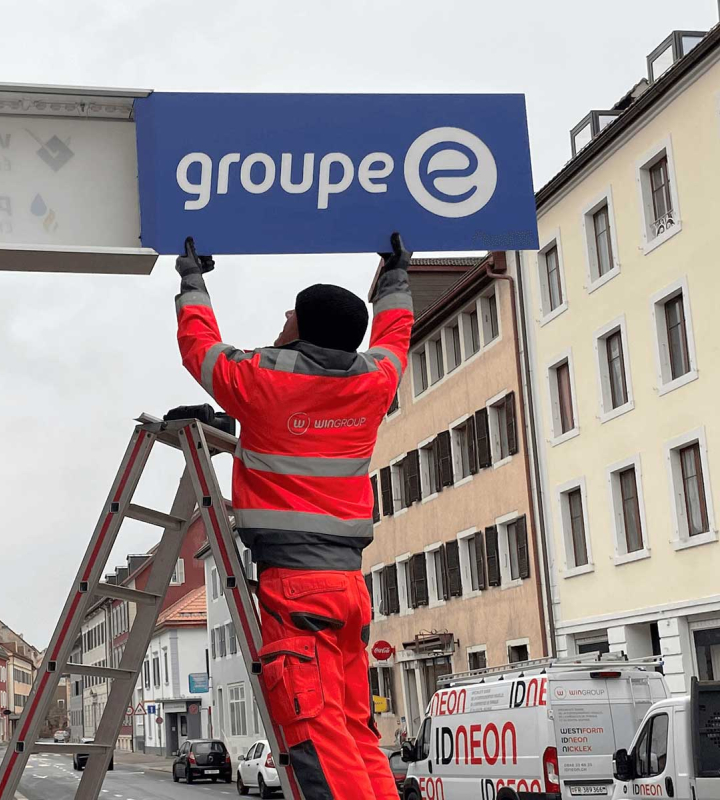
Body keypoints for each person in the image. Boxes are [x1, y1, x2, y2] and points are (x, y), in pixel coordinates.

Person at [175, 233, 413, 800]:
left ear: (303, 329)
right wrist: (396, 278)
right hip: (347, 587)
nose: (283, 320)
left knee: (318, 736)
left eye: (290, 315)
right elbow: (395, 337)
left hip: (296, 588)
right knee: (355, 731)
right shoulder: (373, 383)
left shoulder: (265, 380)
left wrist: (192, 280)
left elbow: (201, 351)